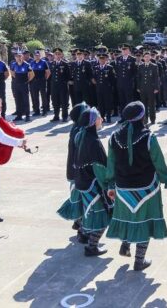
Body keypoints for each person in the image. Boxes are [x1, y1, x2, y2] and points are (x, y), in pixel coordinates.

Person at [105, 101, 167, 271]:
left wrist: (111, 185)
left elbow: (111, 164)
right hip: (146, 188)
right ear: (142, 117)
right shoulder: (149, 137)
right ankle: (139, 260)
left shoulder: (113, 137)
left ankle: (125, 244)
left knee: (129, 216)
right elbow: (159, 163)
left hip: (122, 187)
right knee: (144, 222)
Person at [60, 107, 111, 256]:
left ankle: (83, 233)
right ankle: (92, 247)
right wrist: (109, 185)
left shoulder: (80, 135)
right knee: (102, 216)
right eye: (99, 117)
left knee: (89, 212)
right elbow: (101, 168)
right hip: (92, 185)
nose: (102, 119)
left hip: (82, 182)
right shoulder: (94, 142)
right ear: (93, 122)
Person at [57, 102, 90, 243]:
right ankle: (82, 230)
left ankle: (78, 221)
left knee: (78, 198)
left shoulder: (76, 128)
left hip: (74, 173)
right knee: (83, 201)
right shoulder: (80, 132)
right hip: (79, 174)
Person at [137, 51, 160, 125]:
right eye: (145, 57)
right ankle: (145, 119)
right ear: (143, 58)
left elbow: (156, 78)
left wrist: (156, 88)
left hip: (151, 88)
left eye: (148, 57)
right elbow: (139, 77)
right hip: (143, 88)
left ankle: (152, 119)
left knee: (151, 104)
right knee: (144, 105)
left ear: (150, 57)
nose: (146, 58)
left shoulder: (154, 66)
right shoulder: (140, 66)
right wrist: (138, 87)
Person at [9, 51, 33, 122]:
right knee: (18, 100)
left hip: (24, 85)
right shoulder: (14, 64)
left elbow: (32, 74)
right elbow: (12, 72)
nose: (18, 58)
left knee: (25, 100)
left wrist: (27, 81)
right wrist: (17, 79)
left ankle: (27, 116)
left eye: (20, 56)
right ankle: (19, 115)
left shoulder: (27, 64)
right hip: (17, 85)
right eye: (17, 56)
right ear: (15, 58)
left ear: (22, 57)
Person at [92, 53, 116, 123]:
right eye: (100, 59)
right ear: (98, 60)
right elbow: (93, 77)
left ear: (105, 60)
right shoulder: (96, 68)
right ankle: (102, 117)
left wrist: (111, 86)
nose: (102, 61)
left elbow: (113, 78)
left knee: (107, 103)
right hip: (99, 88)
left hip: (107, 89)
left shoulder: (110, 67)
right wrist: (94, 81)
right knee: (100, 104)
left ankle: (108, 117)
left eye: (103, 59)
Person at [114, 44, 137, 115]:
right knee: (121, 100)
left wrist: (131, 81)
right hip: (120, 83)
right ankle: (123, 116)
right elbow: (116, 71)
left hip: (128, 84)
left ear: (129, 50)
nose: (124, 51)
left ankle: (130, 115)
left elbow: (135, 72)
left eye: (126, 49)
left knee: (129, 100)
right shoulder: (118, 59)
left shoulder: (133, 59)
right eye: (123, 50)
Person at [29, 50, 50, 117]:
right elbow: (29, 72)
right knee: (35, 97)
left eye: (38, 55)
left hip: (42, 82)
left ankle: (45, 111)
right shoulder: (32, 63)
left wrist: (45, 79)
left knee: (43, 97)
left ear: (40, 56)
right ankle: (37, 111)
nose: (36, 56)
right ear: (34, 56)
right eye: (35, 55)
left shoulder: (44, 62)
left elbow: (48, 72)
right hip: (34, 83)